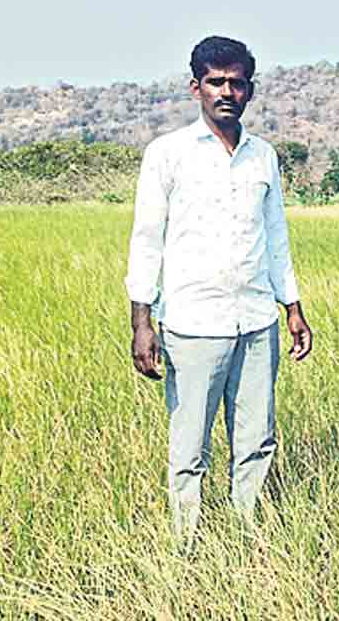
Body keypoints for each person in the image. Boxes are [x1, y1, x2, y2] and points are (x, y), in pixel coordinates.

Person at [125, 35, 313, 546]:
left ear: (250, 90)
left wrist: (291, 308)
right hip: (192, 325)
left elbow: (276, 238)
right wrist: (142, 322)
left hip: (256, 322)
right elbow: (147, 240)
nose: (227, 91)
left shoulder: (263, 157)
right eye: (216, 82)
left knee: (256, 440)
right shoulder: (167, 155)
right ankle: (186, 543)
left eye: (237, 83)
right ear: (196, 88)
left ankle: (247, 536)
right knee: (190, 448)